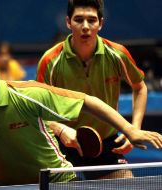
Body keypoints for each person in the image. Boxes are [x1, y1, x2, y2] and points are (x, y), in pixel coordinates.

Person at [0, 45, 162, 188]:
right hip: (3, 186)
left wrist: (130, 129)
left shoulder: (28, 95)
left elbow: (87, 101)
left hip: (54, 183)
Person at [36, 0, 148, 179]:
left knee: (128, 185)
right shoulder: (50, 61)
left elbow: (140, 87)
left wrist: (133, 128)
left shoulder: (117, 54)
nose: (85, 26)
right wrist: (60, 129)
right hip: (63, 143)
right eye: (78, 20)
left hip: (105, 143)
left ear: (101, 23)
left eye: (92, 20)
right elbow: (39, 109)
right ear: (68, 22)